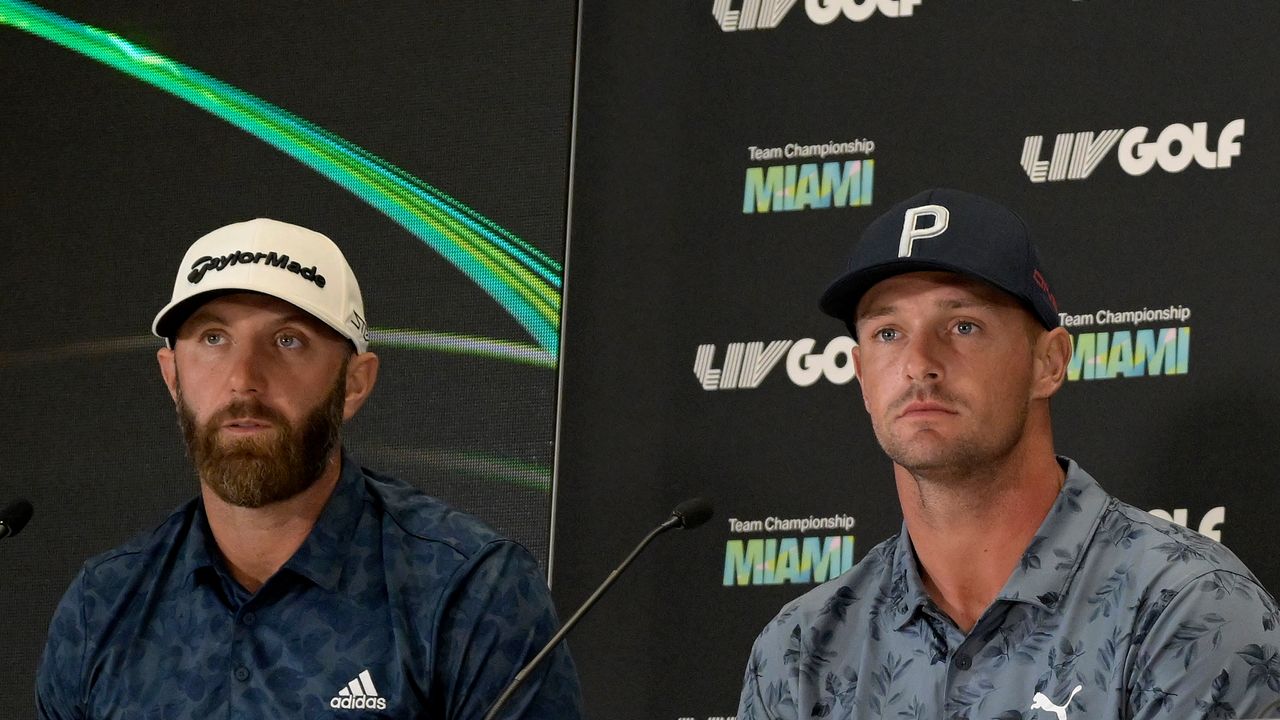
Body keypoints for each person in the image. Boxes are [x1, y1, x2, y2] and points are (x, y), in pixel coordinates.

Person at [736, 189, 1280, 719]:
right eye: (888, 332)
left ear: (1049, 362)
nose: (918, 363)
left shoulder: (1187, 607)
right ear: (860, 378)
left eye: (963, 326)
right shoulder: (801, 648)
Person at [36, 218, 582, 718]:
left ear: (355, 383)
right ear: (172, 376)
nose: (243, 379)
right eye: (213, 339)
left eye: (287, 340)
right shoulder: (103, 606)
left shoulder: (468, 592)